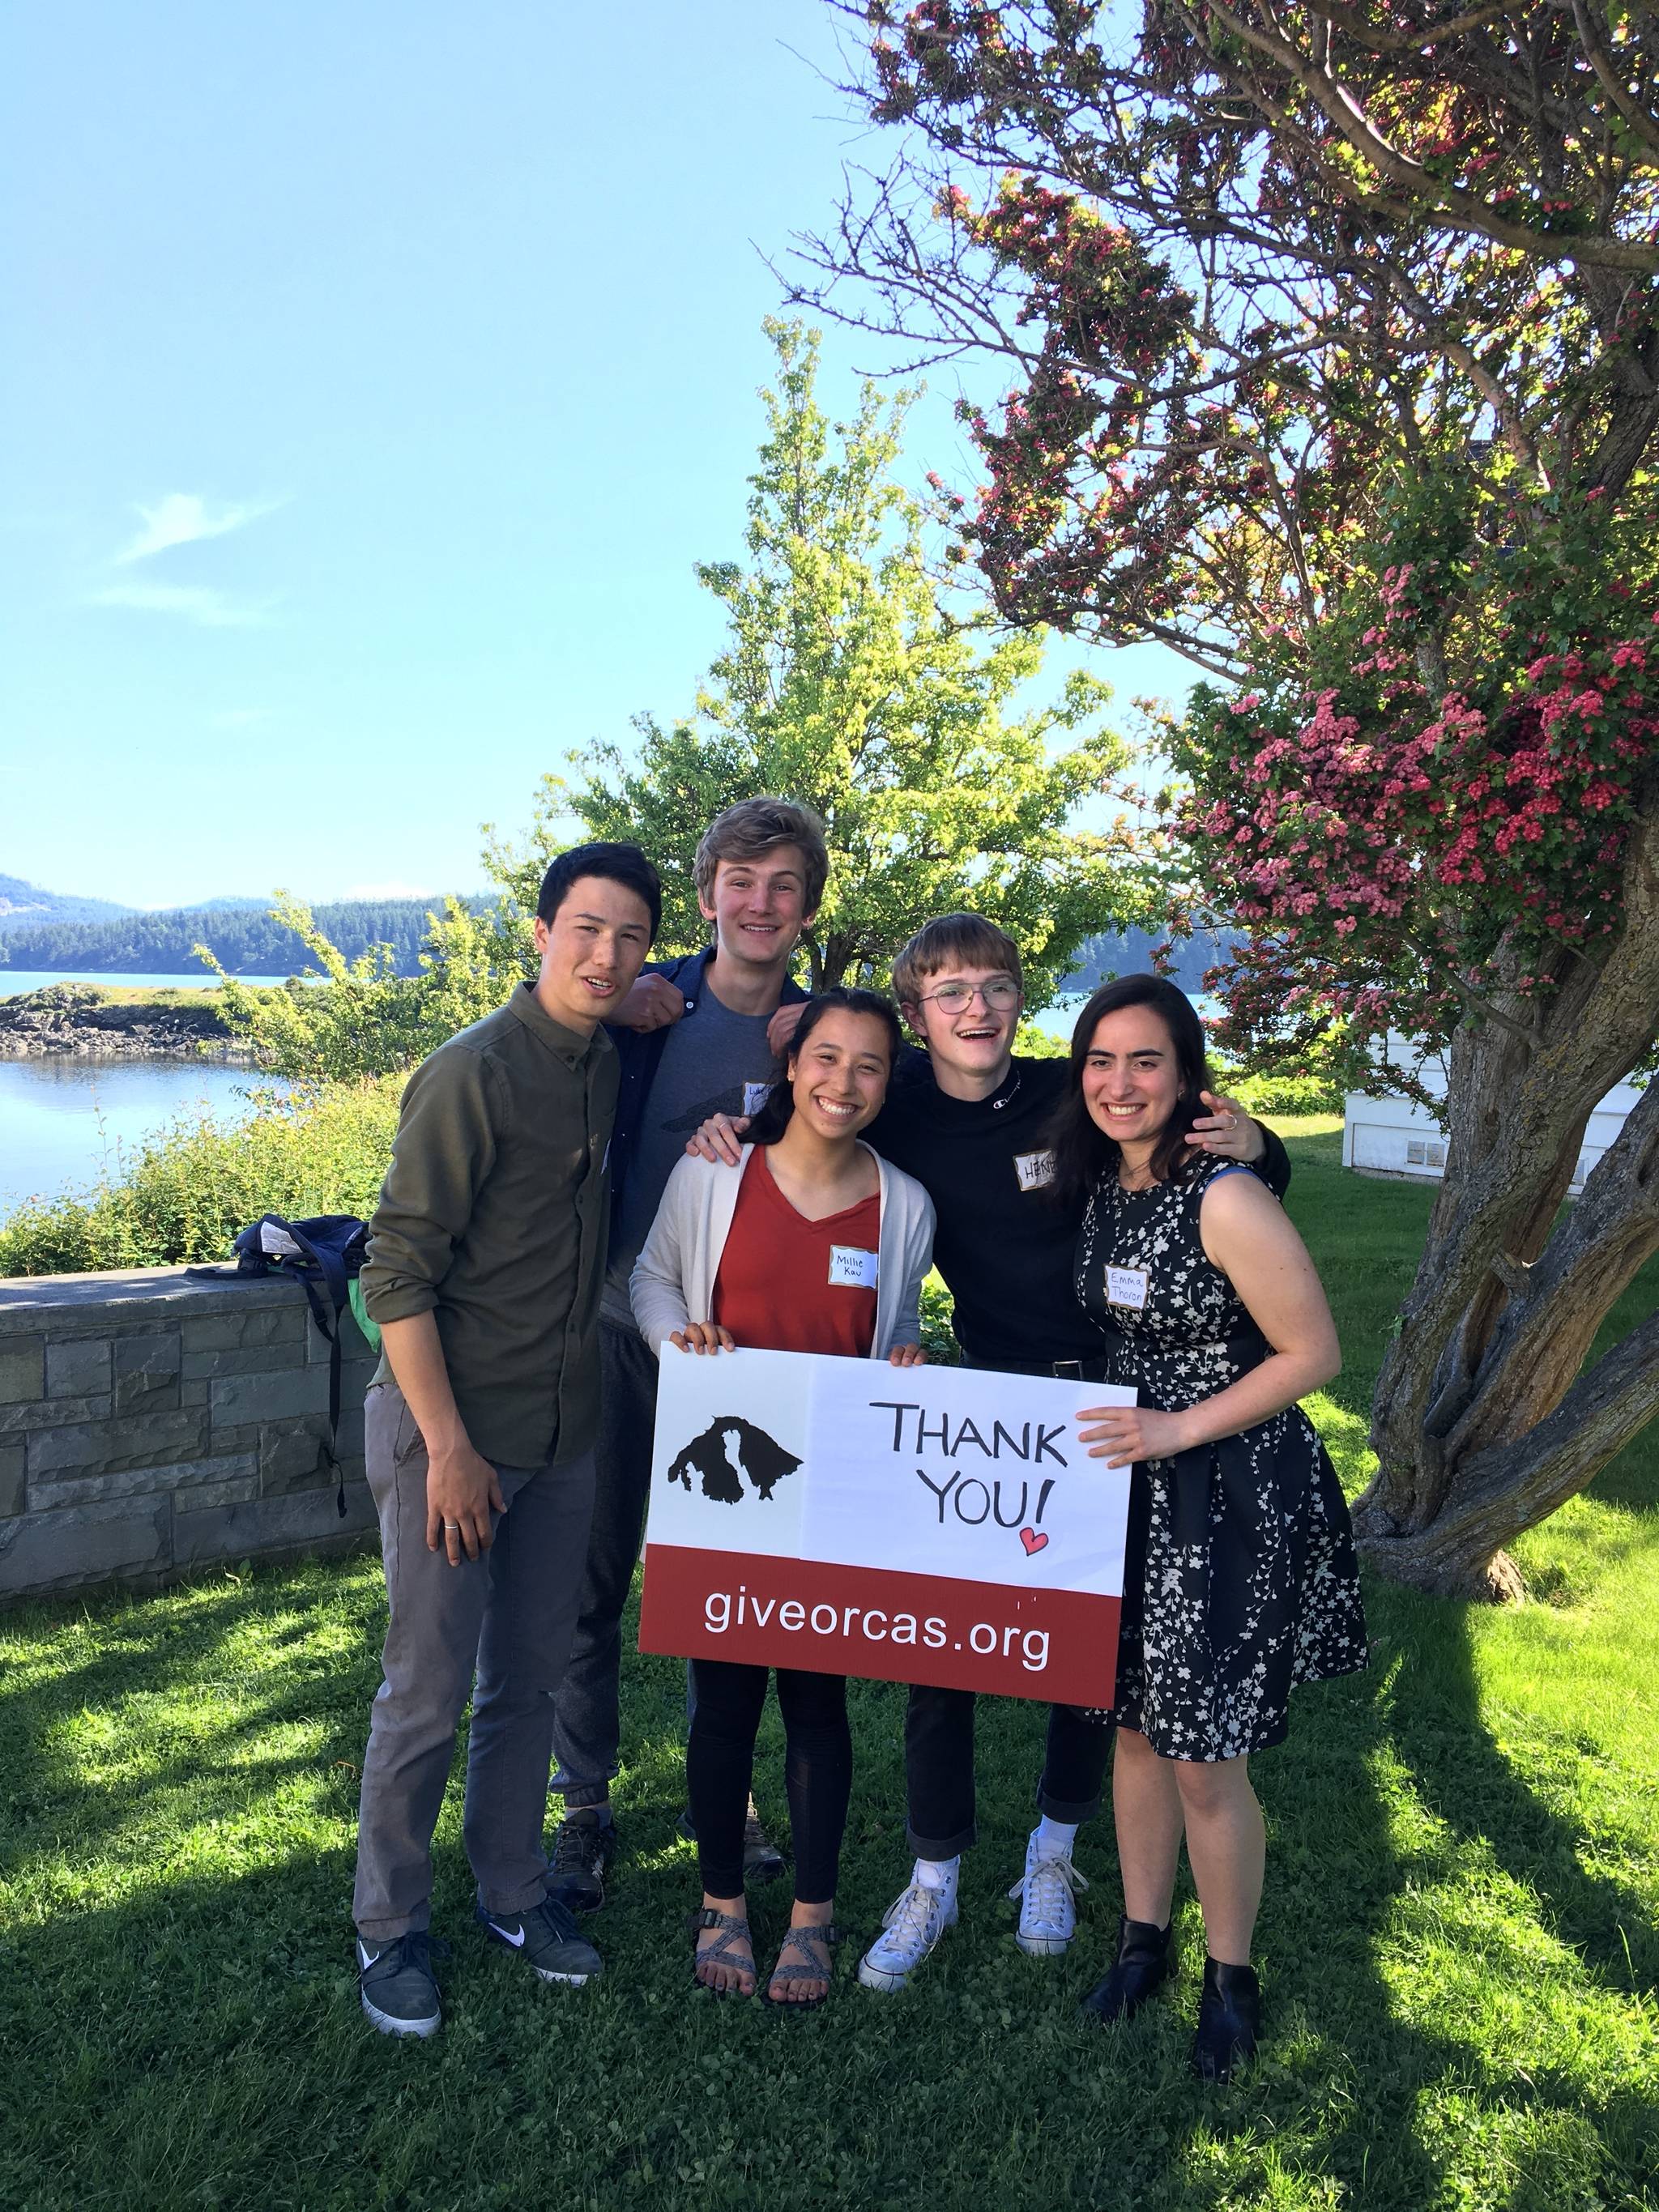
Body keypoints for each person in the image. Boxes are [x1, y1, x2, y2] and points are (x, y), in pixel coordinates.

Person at [689, 913, 1289, 1993]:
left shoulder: (1078, 1089)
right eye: (950, 991)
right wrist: (724, 1134)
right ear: (916, 1014)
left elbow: (1211, 1146)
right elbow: (800, 1119)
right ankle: (933, 1873)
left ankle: (1052, 1851)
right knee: (940, 1654)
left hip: (1103, 1400)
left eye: (995, 987)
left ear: (1021, 998)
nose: (975, 1007)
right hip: (977, 1399)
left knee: (1085, 1663)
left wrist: (1265, 1144)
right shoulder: (901, 1097)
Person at [349, 841, 660, 2039]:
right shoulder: (471, 1069)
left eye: (628, 935)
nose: (606, 953)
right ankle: (388, 1923)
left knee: (528, 1681)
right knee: (426, 1690)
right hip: (455, 1432)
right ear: (539, 933)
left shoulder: (602, 1057)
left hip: (569, 1430)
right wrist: (449, 1446)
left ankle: (514, 1890)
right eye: (586, 928)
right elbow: (397, 1271)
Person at [1060, 974, 1367, 2081]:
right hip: (1128, 1485)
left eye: (1146, 1060)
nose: (1120, 1081)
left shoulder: (1224, 1193)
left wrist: (1177, 1425)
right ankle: (1143, 1938)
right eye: (1100, 1059)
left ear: (1188, 1076)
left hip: (1225, 1489)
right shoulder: (1103, 1186)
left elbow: (1313, 1354)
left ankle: (1230, 1977)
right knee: (1136, 1727)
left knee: (1204, 1753)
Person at [544, 798, 829, 1909]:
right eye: (741, 880)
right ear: (708, 892)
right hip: (619, 1331)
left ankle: (736, 1794)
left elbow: (947, 1096)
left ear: (807, 907)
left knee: (737, 1589)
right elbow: (534, 1032)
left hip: (748, 1358)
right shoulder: (644, 1000)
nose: (760, 903)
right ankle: (584, 1803)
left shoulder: (823, 1031)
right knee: (593, 1576)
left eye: (784, 885)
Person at [631, 989, 936, 2005]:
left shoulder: (903, 1204)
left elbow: (890, 1333)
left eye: (868, 1066)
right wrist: (681, 1340)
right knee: (721, 1704)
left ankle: (811, 1912)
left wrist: (903, 1361)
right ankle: (720, 1899)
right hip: (725, 1478)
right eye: (825, 1058)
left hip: (830, 1485)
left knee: (816, 1704)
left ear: (888, 1083)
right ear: (790, 1063)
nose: (842, 1083)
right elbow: (651, 1281)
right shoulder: (714, 1170)